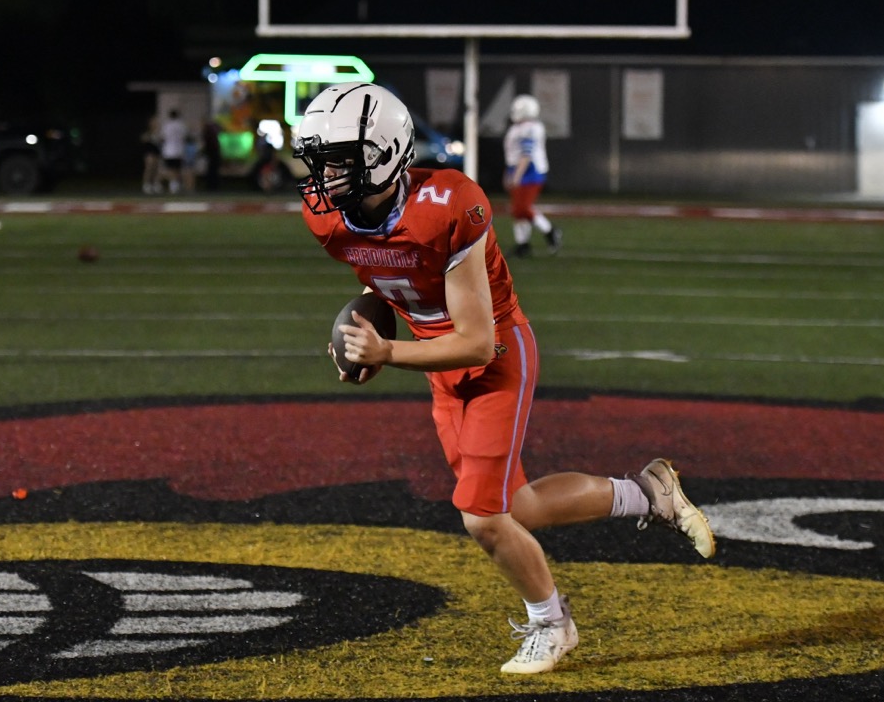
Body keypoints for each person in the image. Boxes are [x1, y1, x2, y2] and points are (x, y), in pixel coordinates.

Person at [293, 83, 715, 675]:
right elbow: (386, 273)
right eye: (321, 159)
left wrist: (385, 350)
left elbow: (475, 339)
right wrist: (362, 321)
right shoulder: (328, 217)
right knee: (516, 506)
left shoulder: (449, 203)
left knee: (483, 518)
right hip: (438, 360)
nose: (325, 175)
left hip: (495, 356)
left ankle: (552, 622)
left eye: (340, 159)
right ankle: (648, 494)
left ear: (385, 152)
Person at [503, 94, 561, 258]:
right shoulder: (518, 128)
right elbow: (512, 155)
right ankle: (523, 244)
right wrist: (509, 172)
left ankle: (550, 231)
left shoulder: (531, 128)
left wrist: (516, 175)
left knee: (522, 208)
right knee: (518, 210)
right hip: (519, 169)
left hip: (529, 171)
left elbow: (526, 154)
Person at [159, 108, 187, 194]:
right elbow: (184, 137)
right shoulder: (181, 125)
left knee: (170, 169)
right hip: (179, 150)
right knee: (177, 168)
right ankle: (177, 184)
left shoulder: (167, 125)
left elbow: (162, 137)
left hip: (169, 150)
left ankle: (173, 185)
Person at [140, 114, 163, 194]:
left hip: (156, 151)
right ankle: (146, 185)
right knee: (149, 167)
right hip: (149, 151)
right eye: (153, 121)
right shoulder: (147, 131)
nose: (155, 123)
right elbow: (143, 139)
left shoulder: (158, 131)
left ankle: (155, 184)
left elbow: (161, 140)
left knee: (156, 169)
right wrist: (149, 136)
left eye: (156, 121)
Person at [201, 118, 222, 192]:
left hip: (212, 153)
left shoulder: (208, 132)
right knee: (213, 170)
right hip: (213, 153)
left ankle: (212, 186)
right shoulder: (211, 132)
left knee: (212, 170)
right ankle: (213, 185)